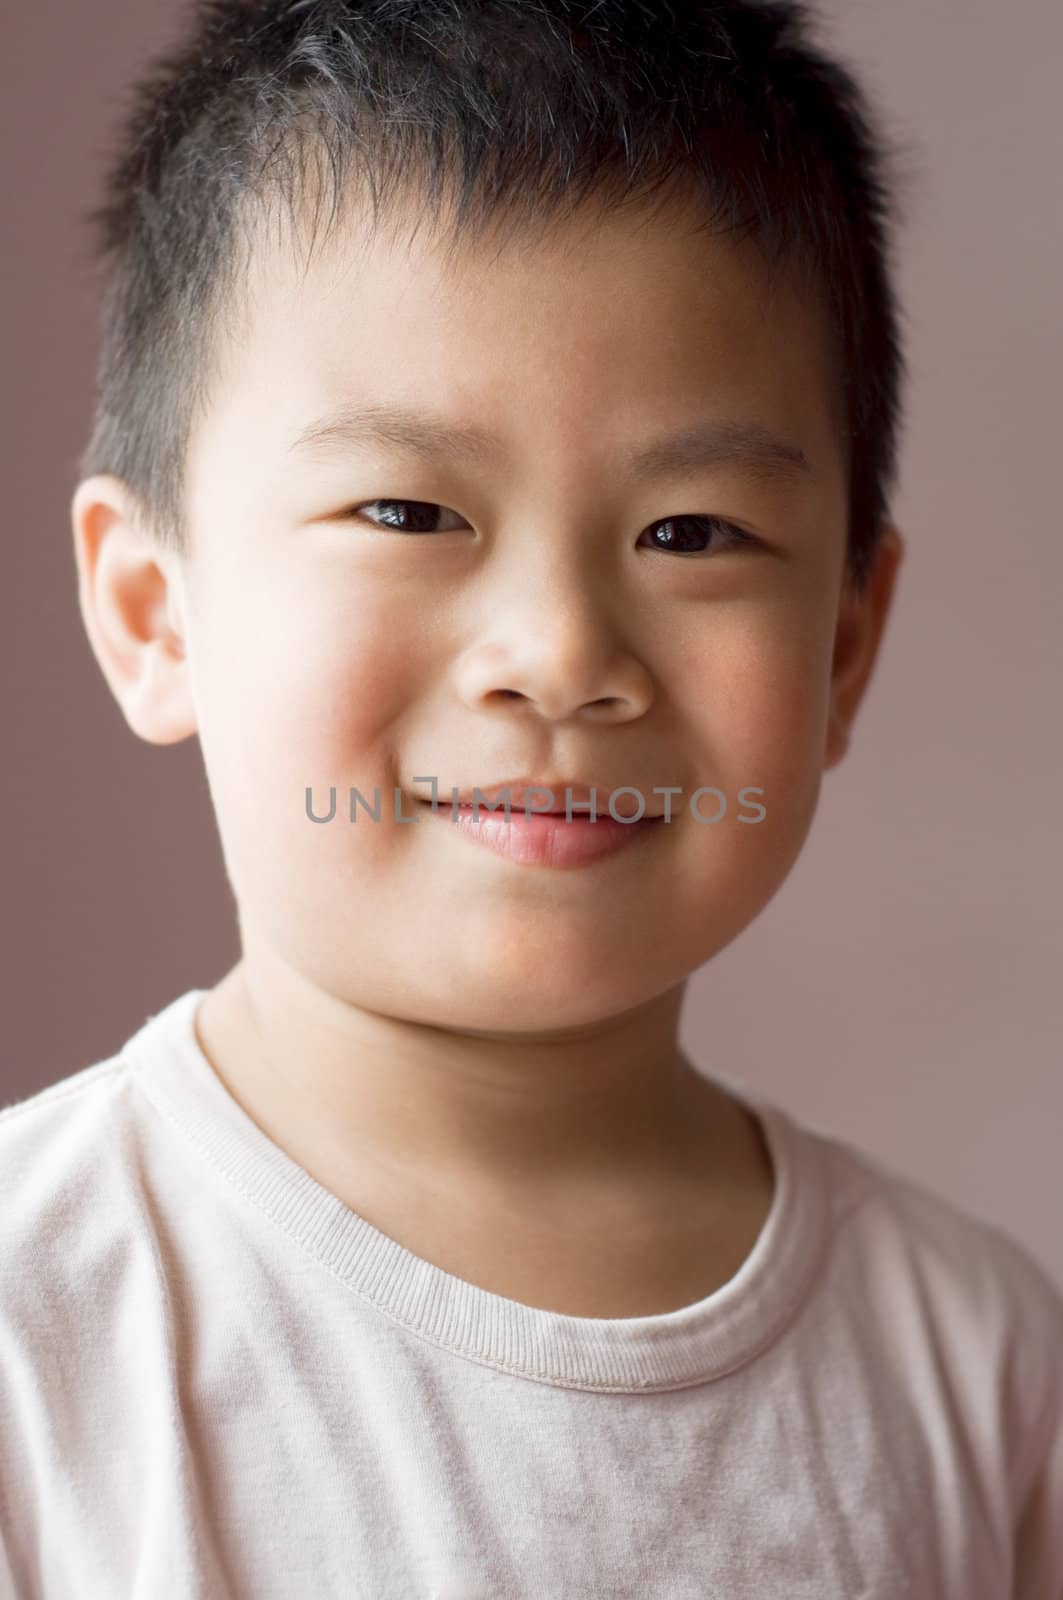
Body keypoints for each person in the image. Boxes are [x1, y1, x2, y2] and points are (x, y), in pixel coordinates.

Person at [3, 0, 1060, 1594]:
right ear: (156, 611)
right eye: (411, 508)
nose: (562, 657)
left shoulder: (980, 1365)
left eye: (693, 534)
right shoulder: (38, 1325)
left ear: (843, 646)